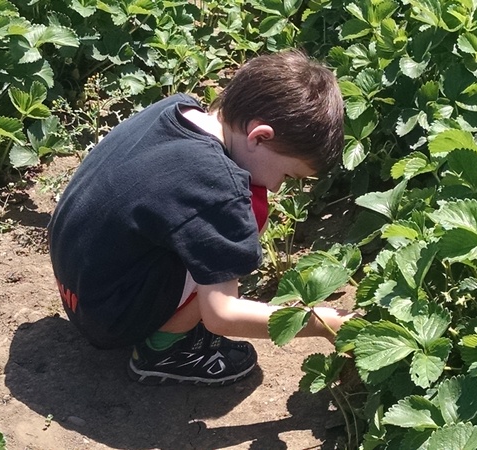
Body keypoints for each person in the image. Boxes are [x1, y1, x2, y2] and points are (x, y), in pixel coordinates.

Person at [47, 49, 354, 386]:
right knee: (250, 212)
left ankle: (162, 318)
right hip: (107, 318)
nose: (278, 187)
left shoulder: (176, 107)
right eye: (288, 175)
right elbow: (222, 315)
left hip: (79, 281)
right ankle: (164, 351)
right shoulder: (217, 187)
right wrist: (324, 323)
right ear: (259, 136)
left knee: (224, 223)